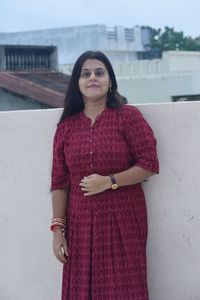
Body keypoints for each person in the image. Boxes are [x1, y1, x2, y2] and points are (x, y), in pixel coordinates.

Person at [50, 50, 159, 300]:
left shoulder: (128, 117)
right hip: (80, 224)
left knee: (124, 290)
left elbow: (150, 164)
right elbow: (59, 181)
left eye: (100, 73)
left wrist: (109, 182)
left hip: (123, 220)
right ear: (77, 83)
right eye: (85, 74)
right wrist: (58, 229)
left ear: (110, 81)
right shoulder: (66, 127)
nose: (92, 78)